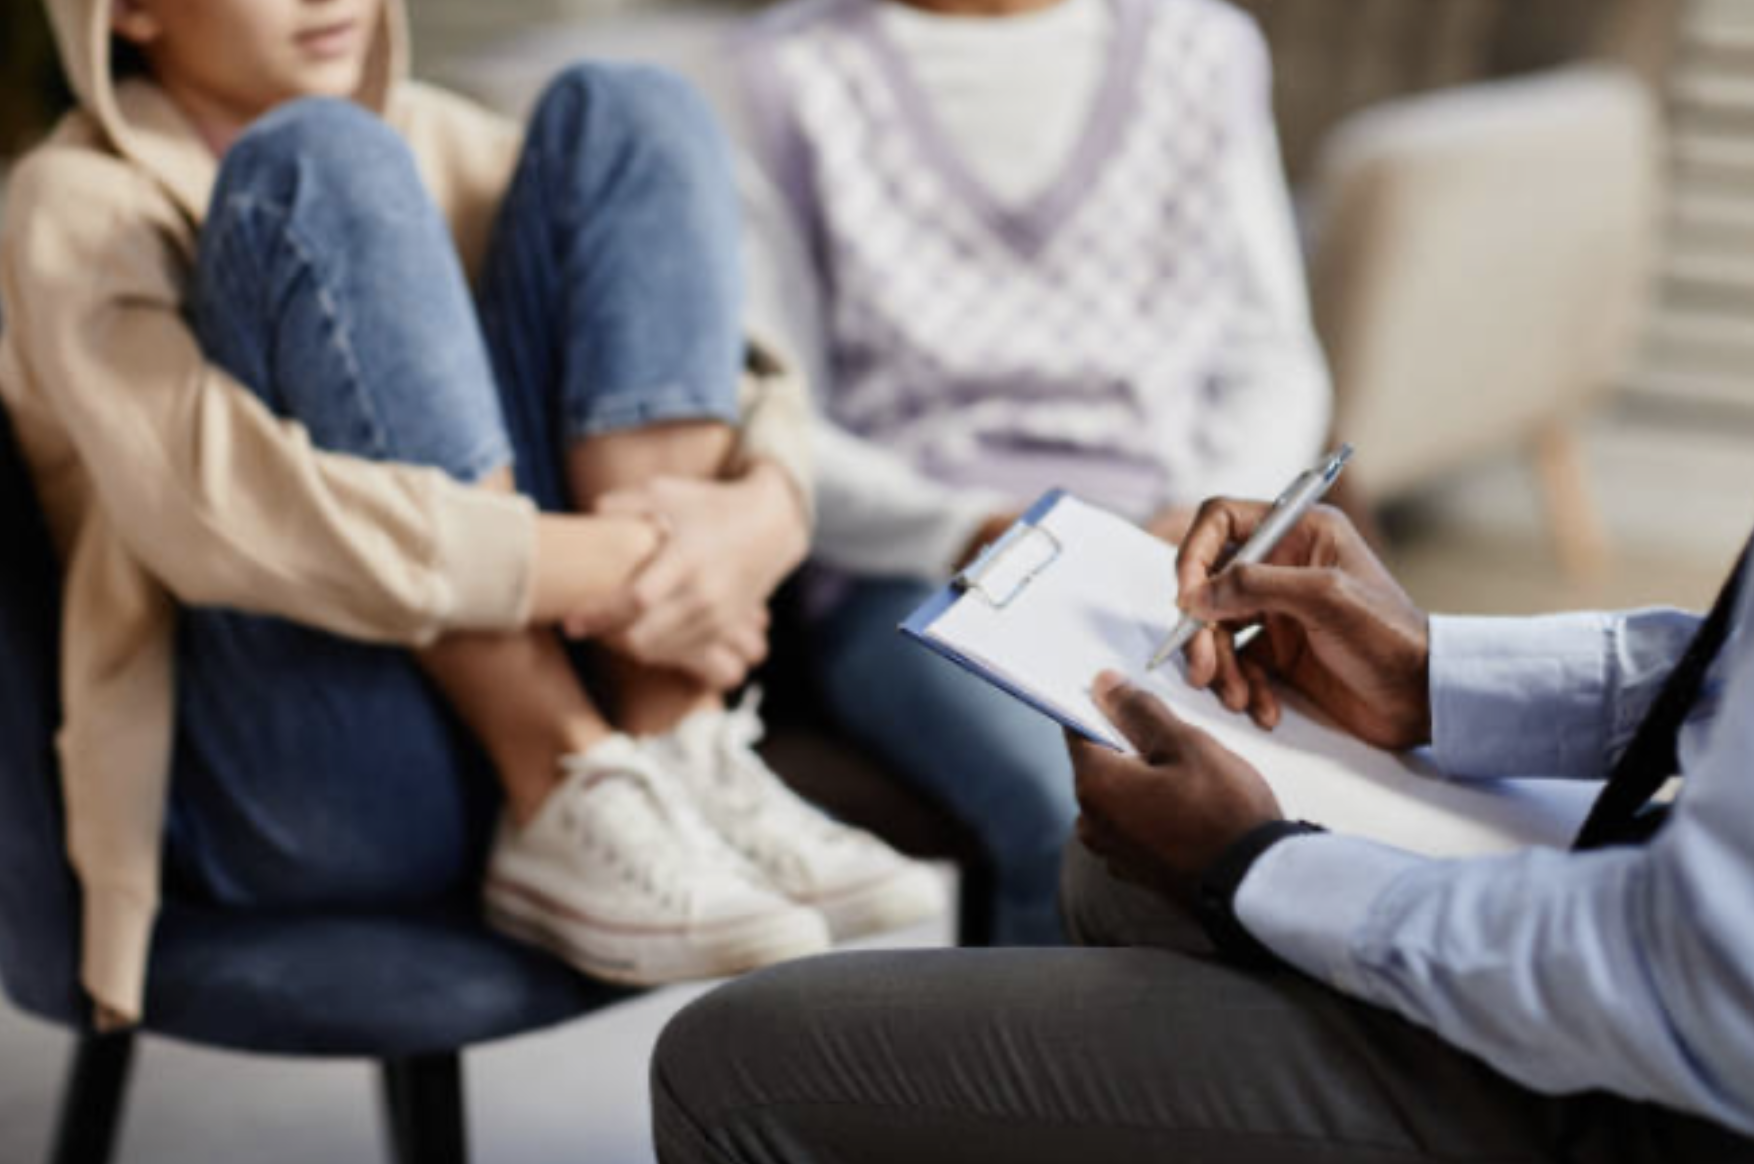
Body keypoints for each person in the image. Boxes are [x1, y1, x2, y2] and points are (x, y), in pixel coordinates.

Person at [0, 0, 943, 1027]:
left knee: (633, 104)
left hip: (557, 710)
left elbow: (740, 357)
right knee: (322, 160)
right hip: (298, 778)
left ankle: (673, 738)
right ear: (127, 11)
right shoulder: (69, 205)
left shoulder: (444, 134)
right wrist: (646, 561)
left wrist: (765, 511)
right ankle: (558, 773)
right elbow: (216, 519)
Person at [651, 498, 1754, 1161]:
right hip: (1665, 912)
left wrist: (1259, 864)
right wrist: (1436, 676)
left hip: (1669, 1106)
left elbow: (1691, 975)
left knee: (729, 1067)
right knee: (1111, 875)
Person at [714, 0, 1332, 944]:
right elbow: (772, 413)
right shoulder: (780, 76)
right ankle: (1035, 1090)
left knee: (1311, 813)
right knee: (1084, 815)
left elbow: (1273, 356)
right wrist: (969, 528)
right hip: (919, 568)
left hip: (1171, 550)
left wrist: (1205, 513)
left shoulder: (1200, 50)